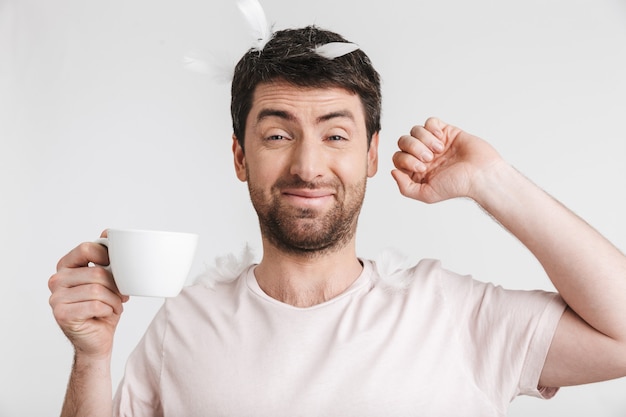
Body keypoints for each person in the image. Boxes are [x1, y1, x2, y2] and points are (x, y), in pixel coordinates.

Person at [48, 25, 626, 417]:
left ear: (371, 156)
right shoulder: (183, 326)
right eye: (278, 135)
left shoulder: (453, 316)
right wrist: (92, 357)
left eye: (336, 136)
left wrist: (493, 183)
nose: (307, 165)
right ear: (240, 156)